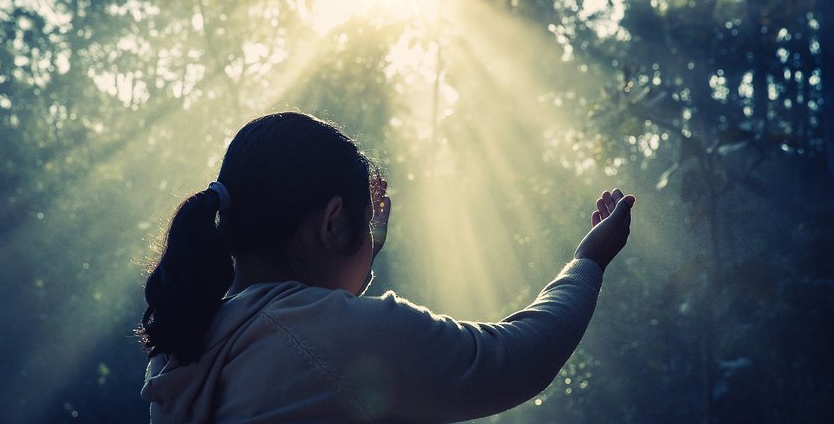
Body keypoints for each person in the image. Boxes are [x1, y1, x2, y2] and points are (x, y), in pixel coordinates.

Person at [138, 111, 635, 423]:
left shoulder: (189, 346)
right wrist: (588, 260)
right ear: (333, 222)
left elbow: (308, 348)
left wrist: (359, 252)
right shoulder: (330, 337)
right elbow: (515, 359)